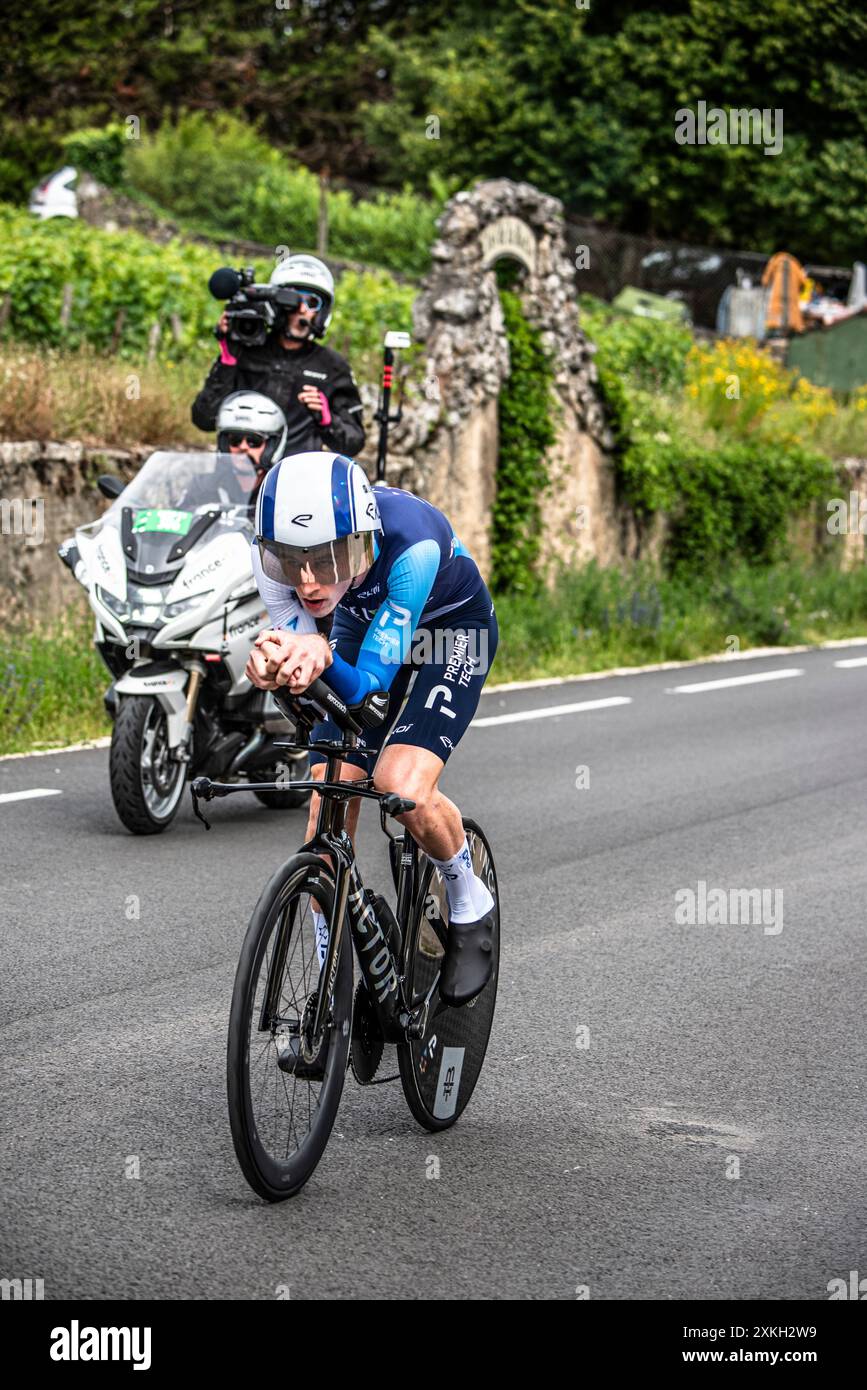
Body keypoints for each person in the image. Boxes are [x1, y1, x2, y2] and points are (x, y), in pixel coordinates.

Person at [244, 452, 499, 1007]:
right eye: (291, 560)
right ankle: (331, 976)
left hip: (449, 632)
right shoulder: (270, 563)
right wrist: (271, 665)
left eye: (328, 558)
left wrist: (314, 650)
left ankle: (466, 897)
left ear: (359, 541)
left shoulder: (414, 545)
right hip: (365, 623)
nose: (308, 582)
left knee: (400, 784)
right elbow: (301, 661)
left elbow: (366, 688)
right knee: (326, 802)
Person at [191, 255, 365, 458]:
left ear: (322, 311)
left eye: (312, 302)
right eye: (294, 300)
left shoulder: (333, 367)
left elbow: (353, 443)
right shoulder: (246, 349)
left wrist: (326, 419)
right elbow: (204, 419)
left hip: (296, 481)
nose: (302, 309)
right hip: (239, 476)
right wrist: (227, 361)